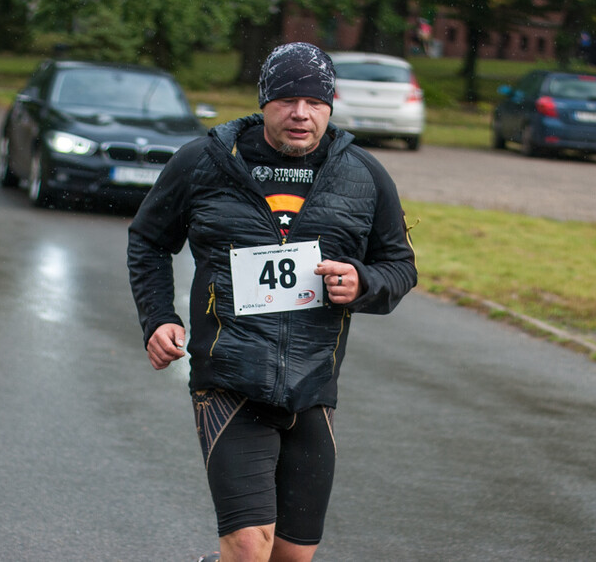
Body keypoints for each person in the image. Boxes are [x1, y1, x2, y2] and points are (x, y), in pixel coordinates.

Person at [127, 42, 418, 562]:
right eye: (286, 100)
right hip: (229, 381)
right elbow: (148, 240)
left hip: (313, 388)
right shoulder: (204, 162)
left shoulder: (364, 175)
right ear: (264, 102)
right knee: (247, 546)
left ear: (330, 105)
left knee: (290, 556)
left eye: (315, 102)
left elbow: (399, 265)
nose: (301, 113)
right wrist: (157, 317)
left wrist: (363, 282)